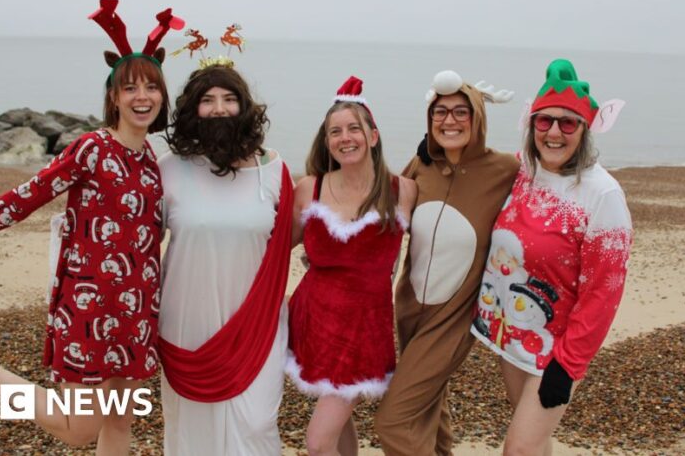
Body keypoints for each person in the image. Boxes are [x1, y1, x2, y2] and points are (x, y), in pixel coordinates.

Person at [0, 0, 181, 454]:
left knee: (120, 422)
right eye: (131, 89)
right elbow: (25, 196)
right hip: (89, 305)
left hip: (136, 309)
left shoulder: (155, 162)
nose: (143, 97)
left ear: (162, 96)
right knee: (79, 430)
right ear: (114, 98)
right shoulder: (90, 148)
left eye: (152, 88)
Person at [469, 58, 632, 456]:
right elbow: (476, 167)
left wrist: (569, 364)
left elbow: (603, 293)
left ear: (585, 129)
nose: (554, 132)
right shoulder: (525, 169)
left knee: (519, 448)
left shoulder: (603, 196)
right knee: (534, 440)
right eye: (545, 122)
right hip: (511, 332)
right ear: (532, 125)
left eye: (568, 123)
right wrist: (437, 154)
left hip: (558, 349)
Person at [374, 70, 520, 455]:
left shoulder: (505, 170)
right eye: (440, 112)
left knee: (394, 421)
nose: (449, 120)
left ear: (477, 119)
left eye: (460, 112)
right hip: (408, 308)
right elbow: (387, 221)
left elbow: (552, 181)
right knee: (427, 407)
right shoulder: (420, 167)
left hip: (454, 317)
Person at [155, 62, 294, 455]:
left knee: (257, 424)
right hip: (186, 323)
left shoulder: (275, 171)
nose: (218, 108)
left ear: (245, 108)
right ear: (191, 110)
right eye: (208, 100)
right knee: (190, 430)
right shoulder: (168, 169)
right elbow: (137, 242)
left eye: (229, 99)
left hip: (257, 321)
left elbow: (299, 238)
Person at [286, 76, 417, 456]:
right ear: (326, 142)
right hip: (313, 322)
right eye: (335, 131)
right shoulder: (308, 188)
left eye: (354, 129)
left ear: (373, 136)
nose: (346, 138)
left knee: (317, 441)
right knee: (339, 427)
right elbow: (277, 249)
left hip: (364, 333)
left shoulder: (402, 191)